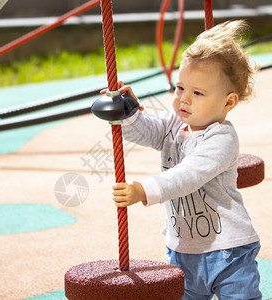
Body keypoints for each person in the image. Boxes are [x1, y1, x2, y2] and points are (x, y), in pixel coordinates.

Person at [110, 20, 262, 299]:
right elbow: (147, 132)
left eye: (198, 93)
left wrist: (145, 190)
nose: (184, 100)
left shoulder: (221, 138)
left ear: (228, 102)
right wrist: (129, 112)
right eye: (180, 88)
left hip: (229, 250)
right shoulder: (174, 122)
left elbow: (187, 176)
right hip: (182, 250)